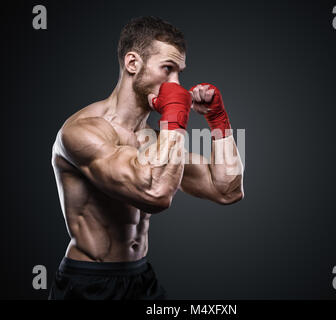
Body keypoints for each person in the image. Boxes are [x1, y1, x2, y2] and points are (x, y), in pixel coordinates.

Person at [48, 16, 244, 300]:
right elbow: (155, 192)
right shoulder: (83, 132)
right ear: (132, 64)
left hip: (141, 278)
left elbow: (227, 190)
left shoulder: (153, 138)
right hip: (89, 282)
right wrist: (175, 113)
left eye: (179, 72)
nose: (176, 83)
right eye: (167, 69)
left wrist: (218, 120)